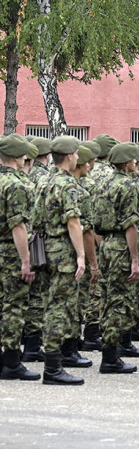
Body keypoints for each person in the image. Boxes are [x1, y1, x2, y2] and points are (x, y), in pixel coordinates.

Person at [37, 136, 88, 385]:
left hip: (46, 247)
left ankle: (53, 363)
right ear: (69, 156)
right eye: (77, 154)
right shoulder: (67, 184)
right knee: (59, 307)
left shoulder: (45, 180)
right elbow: (73, 221)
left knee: (50, 302)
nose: (78, 158)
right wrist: (81, 255)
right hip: (62, 250)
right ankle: (53, 368)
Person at [94, 142, 139, 375]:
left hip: (105, 244)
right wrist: (134, 258)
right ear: (126, 163)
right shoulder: (128, 185)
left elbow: (94, 222)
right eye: (134, 160)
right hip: (121, 246)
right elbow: (131, 226)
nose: (137, 163)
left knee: (107, 298)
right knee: (118, 302)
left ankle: (110, 351)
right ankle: (111, 357)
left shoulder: (102, 182)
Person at [0, 135, 39, 381]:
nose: (26, 158)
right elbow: (19, 227)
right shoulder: (17, 185)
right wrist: (26, 261)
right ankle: (12, 362)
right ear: (16, 157)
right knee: (13, 307)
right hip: (11, 252)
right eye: (24, 154)